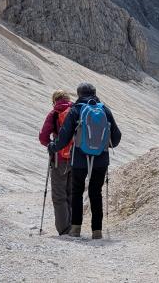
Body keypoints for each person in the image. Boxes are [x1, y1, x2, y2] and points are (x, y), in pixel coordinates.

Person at [48, 82, 121, 239]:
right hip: (101, 160)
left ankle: (75, 229)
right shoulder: (104, 110)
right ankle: (97, 231)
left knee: (77, 192)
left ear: (79, 94)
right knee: (96, 193)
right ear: (95, 93)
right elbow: (116, 138)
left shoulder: (76, 110)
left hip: (79, 158)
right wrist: (101, 144)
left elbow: (65, 136)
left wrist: (53, 147)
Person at [38, 90, 75, 235]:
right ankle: (74, 226)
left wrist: (51, 146)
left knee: (59, 195)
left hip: (59, 160)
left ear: (55, 100)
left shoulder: (54, 113)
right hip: (76, 159)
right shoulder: (77, 111)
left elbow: (43, 137)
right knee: (72, 194)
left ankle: (64, 229)